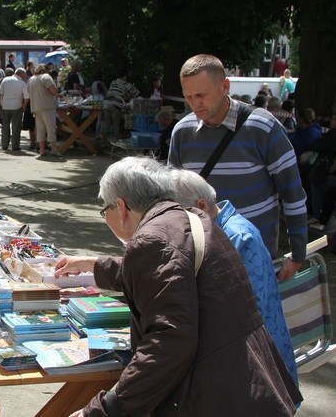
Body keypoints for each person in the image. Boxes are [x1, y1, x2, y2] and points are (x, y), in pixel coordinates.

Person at [55, 156, 301, 417]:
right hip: (246, 381)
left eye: (105, 210)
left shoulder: (152, 238)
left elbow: (168, 342)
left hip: (218, 395)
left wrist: (103, 410)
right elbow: (162, 271)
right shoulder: (191, 219)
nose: (106, 217)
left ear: (121, 207)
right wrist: (93, 266)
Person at [169, 54, 307, 281]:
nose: (195, 103)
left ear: (225, 86)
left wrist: (298, 253)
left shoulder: (262, 127)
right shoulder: (182, 132)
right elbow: (172, 200)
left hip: (255, 260)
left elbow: (292, 193)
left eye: (202, 95)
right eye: (189, 97)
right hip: (202, 261)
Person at [172, 168, 298, 385]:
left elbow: (246, 314)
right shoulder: (211, 230)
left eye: (176, 216)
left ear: (200, 206)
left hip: (260, 373)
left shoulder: (239, 238)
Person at [27, 64, 60, 157]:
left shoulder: (31, 79)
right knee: (51, 128)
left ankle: (42, 150)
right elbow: (54, 91)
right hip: (47, 106)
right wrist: (52, 92)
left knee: (40, 129)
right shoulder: (46, 77)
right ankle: (53, 149)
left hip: (36, 107)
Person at [101, 69, 140, 146]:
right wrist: (130, 96)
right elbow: (136, 93)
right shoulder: (126, 84)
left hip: (106, 103)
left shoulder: (113, 82)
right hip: (115, 104)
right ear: (125, 76)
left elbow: (116, 93)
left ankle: (103, 143)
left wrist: (125, 96)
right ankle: (117, 144)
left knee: (107, 124)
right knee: (116, 124)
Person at [0, 67, 29, 151]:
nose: (25, 77)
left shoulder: (5, 80)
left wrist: (0, 104)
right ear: (21, 74)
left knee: (5, 126)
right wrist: (24, 106)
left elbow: (0, 93)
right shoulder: (22, 83)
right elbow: (26, 97)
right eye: (24, 75)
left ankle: (4, 145)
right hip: (17, 106)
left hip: (5, 106)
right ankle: (15, 146)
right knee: (16, 127)